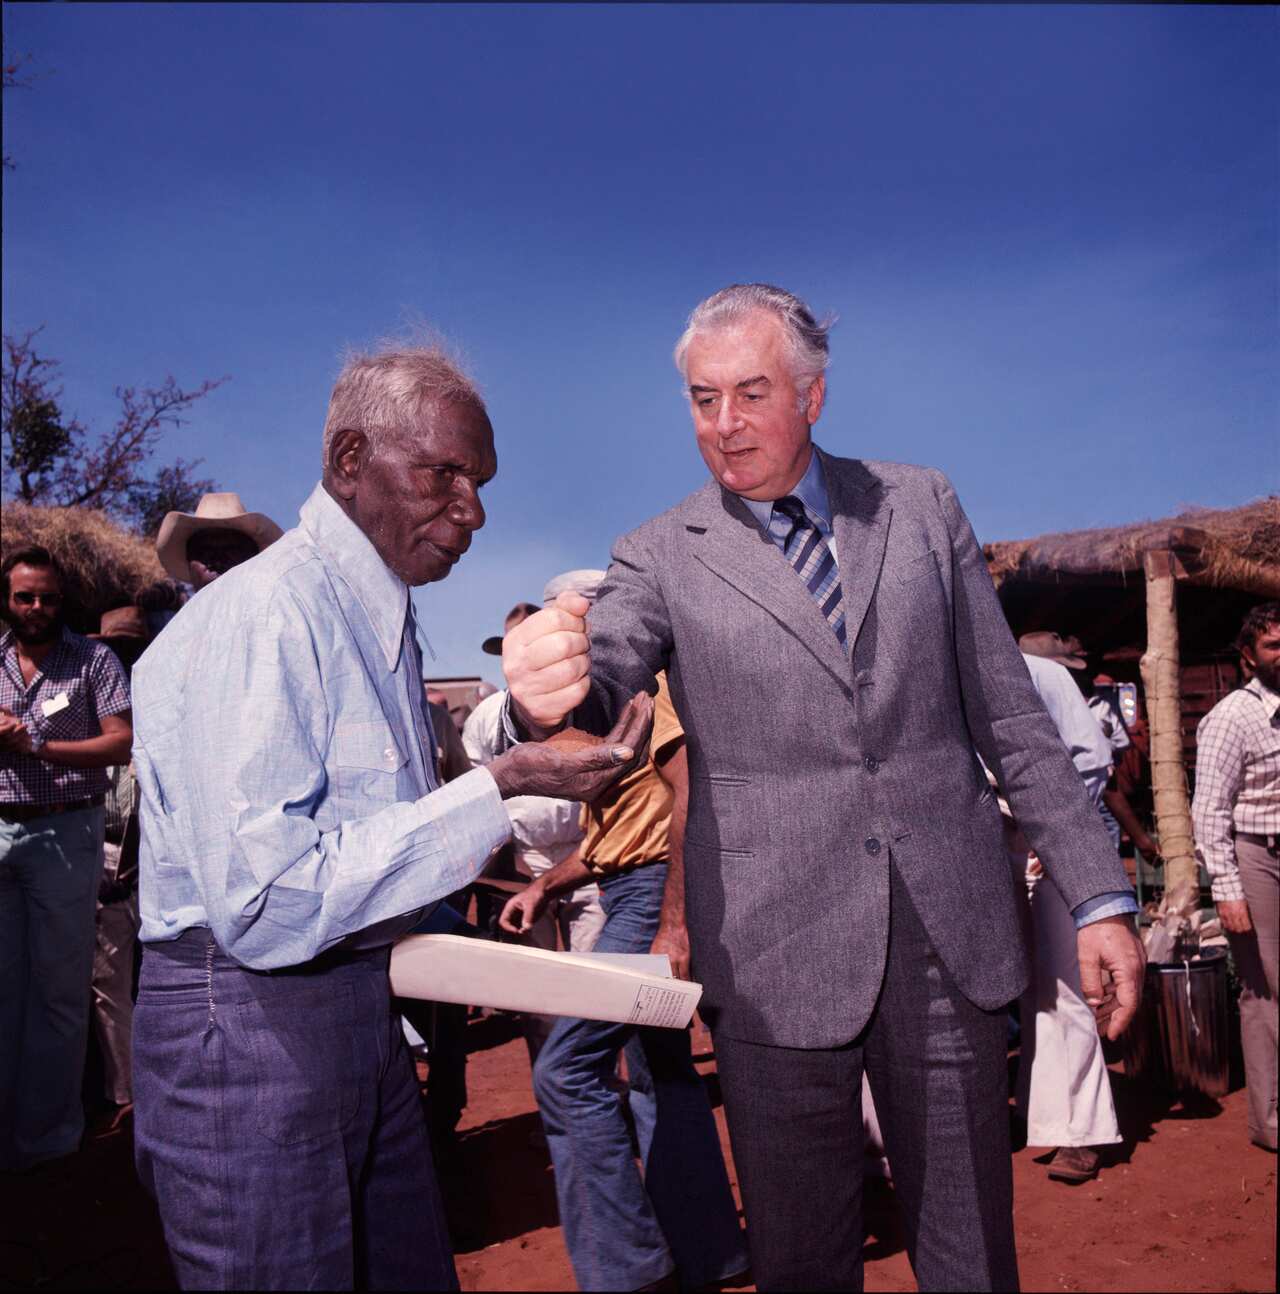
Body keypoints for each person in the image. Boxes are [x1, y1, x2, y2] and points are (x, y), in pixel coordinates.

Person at [503, 283, 1146, 1291]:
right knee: (802, 1255)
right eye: (700, 398)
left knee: (968, 1245)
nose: (723, 424)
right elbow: (601, 680)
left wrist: (1099, 898)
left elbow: (1011, 721)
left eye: (749, 393)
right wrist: (545, 692)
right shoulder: (658, 554)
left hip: (948, 933)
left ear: (810, 394)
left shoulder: (920, 505)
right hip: (768, 952)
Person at [129, 342, 653, 1290]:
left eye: (481, 482)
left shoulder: (378, 622)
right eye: (442, 472)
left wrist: (510, 767)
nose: (474, 509)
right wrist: (501, 785)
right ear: (349, 461)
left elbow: (371, 841)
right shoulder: (271, 615)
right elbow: (267, 900)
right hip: (247, 1028)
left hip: (352, 1010)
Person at [499, 665, 747, 1293]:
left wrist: (673, 922)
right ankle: (711, 1251)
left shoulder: (648, 692)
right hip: (632, 891)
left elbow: (690, 796)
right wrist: (544, 884)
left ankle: (629, 1273)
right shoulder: (604, 720)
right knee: (659, 1071)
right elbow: (616, 842)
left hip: (653, 897)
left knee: (567, 1069)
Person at [0, 547, 133, 1170]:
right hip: (1, 831)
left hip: (65, 832)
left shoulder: (94, 659)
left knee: (58, 990)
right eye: (25, 596)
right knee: (6, 988)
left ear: (63, 599)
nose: (36, 608)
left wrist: (39, 746)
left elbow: (120, 740)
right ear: (7, 599)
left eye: (47, 597)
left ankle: (47, 1139)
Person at [465, 583, 606, 1062]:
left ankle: (593, 1089)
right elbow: (474, 790)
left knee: (594, 985)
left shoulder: (581, 700)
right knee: (541, 990)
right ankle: (556, 1099)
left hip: (586, 858)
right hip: (525, 860)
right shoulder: (486, 717)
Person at [1011, 648, 1125, 1185]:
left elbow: (1091, 756)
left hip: (1049, 844)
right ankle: (1027, 1112)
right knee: (991, 990)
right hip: (978, 844)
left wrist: (1053, 829)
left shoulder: (1042, 673)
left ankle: (1082, 1130)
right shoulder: (932, 663)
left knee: (1063, 987)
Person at [1192, 601, 1280, 1153]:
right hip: (1258, 857)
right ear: (1249, 656)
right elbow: (1209, 812)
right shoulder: (1231, 717)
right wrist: (1226, 890)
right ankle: (1269, 1121)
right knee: (1265, 987)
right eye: (1274, 645)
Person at [87, 606, 152, 1129]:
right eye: (116, 654)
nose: (123, 664)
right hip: (103, 864)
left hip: (150, 868)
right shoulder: (89, 710)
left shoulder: (160, 703)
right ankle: (124, 1091)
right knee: (109, 986)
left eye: (132, 653)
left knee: (151, 984)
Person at [155, 490, 284, 592]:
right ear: (189, 562)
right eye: (203, 553)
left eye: (231, 550)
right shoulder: (180, 624)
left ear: (252, 558)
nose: (217, 561)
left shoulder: (274, 617)